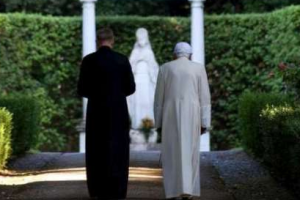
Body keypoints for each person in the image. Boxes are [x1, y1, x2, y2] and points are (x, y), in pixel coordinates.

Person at [77, 28, 136, 200]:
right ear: (113, 40)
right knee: (118, 148)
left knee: (96, 149)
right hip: (118, 110)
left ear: (97, 41)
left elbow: (82, 89)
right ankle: (117, 189)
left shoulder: (89, 61)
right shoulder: (122, 60)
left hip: (96, 110)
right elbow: (131, 88)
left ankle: (97, 189)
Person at [154, 42, 211, 200]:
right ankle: (189, 190)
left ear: (175, 54)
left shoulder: (165, 68)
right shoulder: (198, 68)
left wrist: (158, 122)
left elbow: (159, 99)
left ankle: (173, 191)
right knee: (191, 151)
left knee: (172, 152)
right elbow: (204, 98)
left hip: (170, 115)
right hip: (192, 115)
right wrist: (205, 122)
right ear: (190, 55)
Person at [127, 28, 159, 129]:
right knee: (137, 103)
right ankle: (137, 125)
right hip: (137, 81)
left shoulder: (149, 53)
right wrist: (137, 60)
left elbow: (154, 69)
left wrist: (147, 61)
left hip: (147, 81)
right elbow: (129, 68)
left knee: (148, 103)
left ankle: (148, 125)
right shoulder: (135, 52)